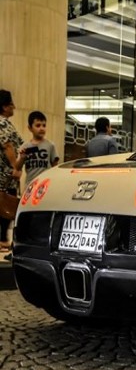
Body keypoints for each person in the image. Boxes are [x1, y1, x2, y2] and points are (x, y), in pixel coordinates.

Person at [0, 90, 24, 250]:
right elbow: (7, 145)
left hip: (6, 173)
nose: (14, 107)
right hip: (5, 174)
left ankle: (3, 238)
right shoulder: (2, 123)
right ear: (4, 106)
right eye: (11, 104)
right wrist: (16, 167)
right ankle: (2, 239)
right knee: (6, 203)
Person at [15, 111, 60, 187]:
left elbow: (55, 167)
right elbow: (17, 167)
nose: (42, 128)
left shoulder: (50, 145)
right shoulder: (25, 146)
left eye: (44, 125)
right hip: (30, 185)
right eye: (38, 125)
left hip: (45, 185)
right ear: (30, 128)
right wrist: (22, 158)